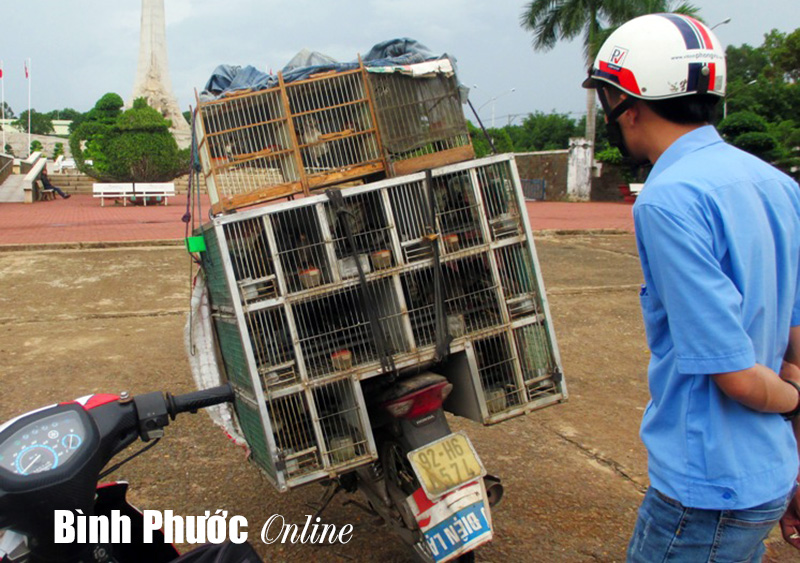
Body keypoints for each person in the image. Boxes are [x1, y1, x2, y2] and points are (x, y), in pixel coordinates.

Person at [582, 13, 800, 561]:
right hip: (767, 474)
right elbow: (793, 330)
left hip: (707, 489)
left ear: (627, 107)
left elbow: (736, 376)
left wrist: (794, 400)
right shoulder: (776, 184)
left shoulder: (668, 199)